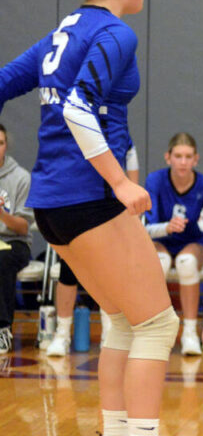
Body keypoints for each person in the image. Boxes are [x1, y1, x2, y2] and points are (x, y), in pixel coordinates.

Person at [0, 0, 199, 436]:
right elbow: (82, 107)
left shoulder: (65, 30)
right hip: (88, 196)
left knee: (120, 319)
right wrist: (121, 181)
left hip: (54, 201)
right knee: (159, 323)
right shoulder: (113, 33)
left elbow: (6, 83)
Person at [47, 142, 138, 356]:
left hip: (107, 206)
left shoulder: (117, 129)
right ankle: (61, 334)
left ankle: (110, 331)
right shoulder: (74, 125)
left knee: (109, 271)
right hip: (76, 204)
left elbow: (132, 169)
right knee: (68, 269)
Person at [143, 133, 203, 356]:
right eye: (178, 156)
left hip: (191, 242)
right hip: (160, 240)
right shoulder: (155, 181)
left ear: (196, 159)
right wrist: (167, 227)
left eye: (188, 157)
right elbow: (146, 227)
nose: (183, 162)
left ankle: (189, 333)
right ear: (168, 158)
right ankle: (153, 330)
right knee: (160, 261)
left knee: (186, 263)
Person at [0, 124, 33, 354]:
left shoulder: (21, 177)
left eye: (0, 143)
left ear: (6, 146)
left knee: (1, 258)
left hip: (14, 242)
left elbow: (23, 226)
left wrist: (2, 214)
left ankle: (2, 328)